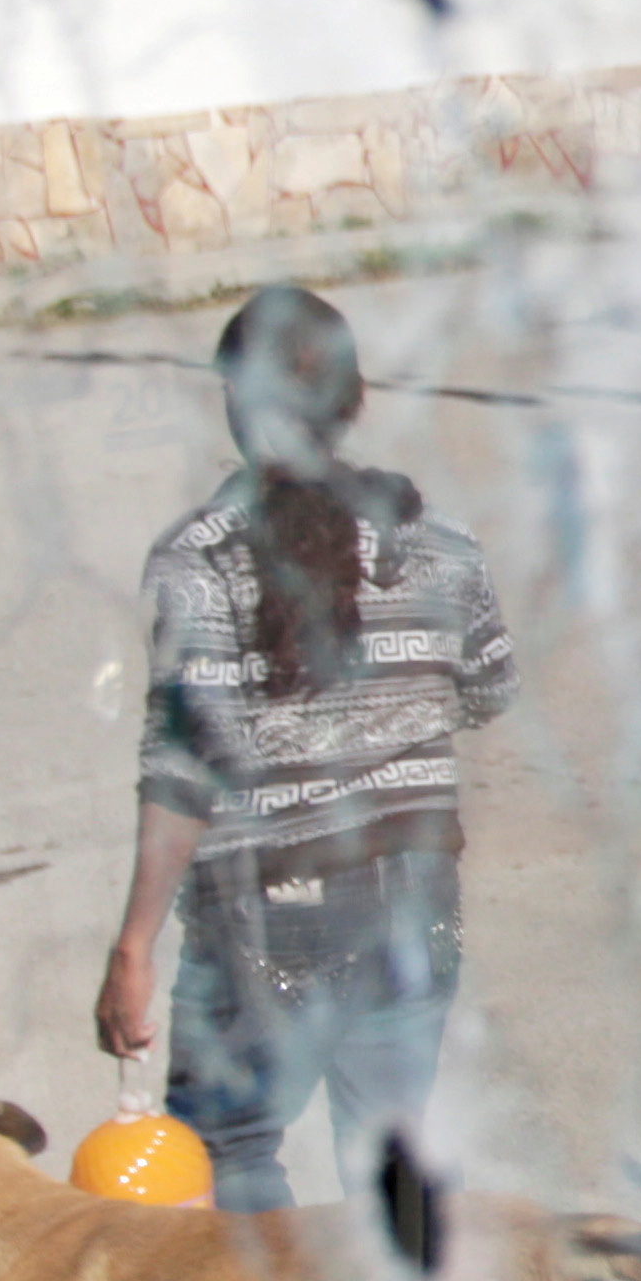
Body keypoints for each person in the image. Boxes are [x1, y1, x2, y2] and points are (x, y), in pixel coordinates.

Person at [91, 286, 517, 1211]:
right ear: (354, 400)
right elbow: (488, 686)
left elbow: (183, 766)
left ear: (235, 403)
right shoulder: (436, 537)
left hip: (266, 915)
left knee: (231, 1153)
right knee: (389, 1173)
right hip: (417, 903)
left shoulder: (198, 557)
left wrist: (134, 946)